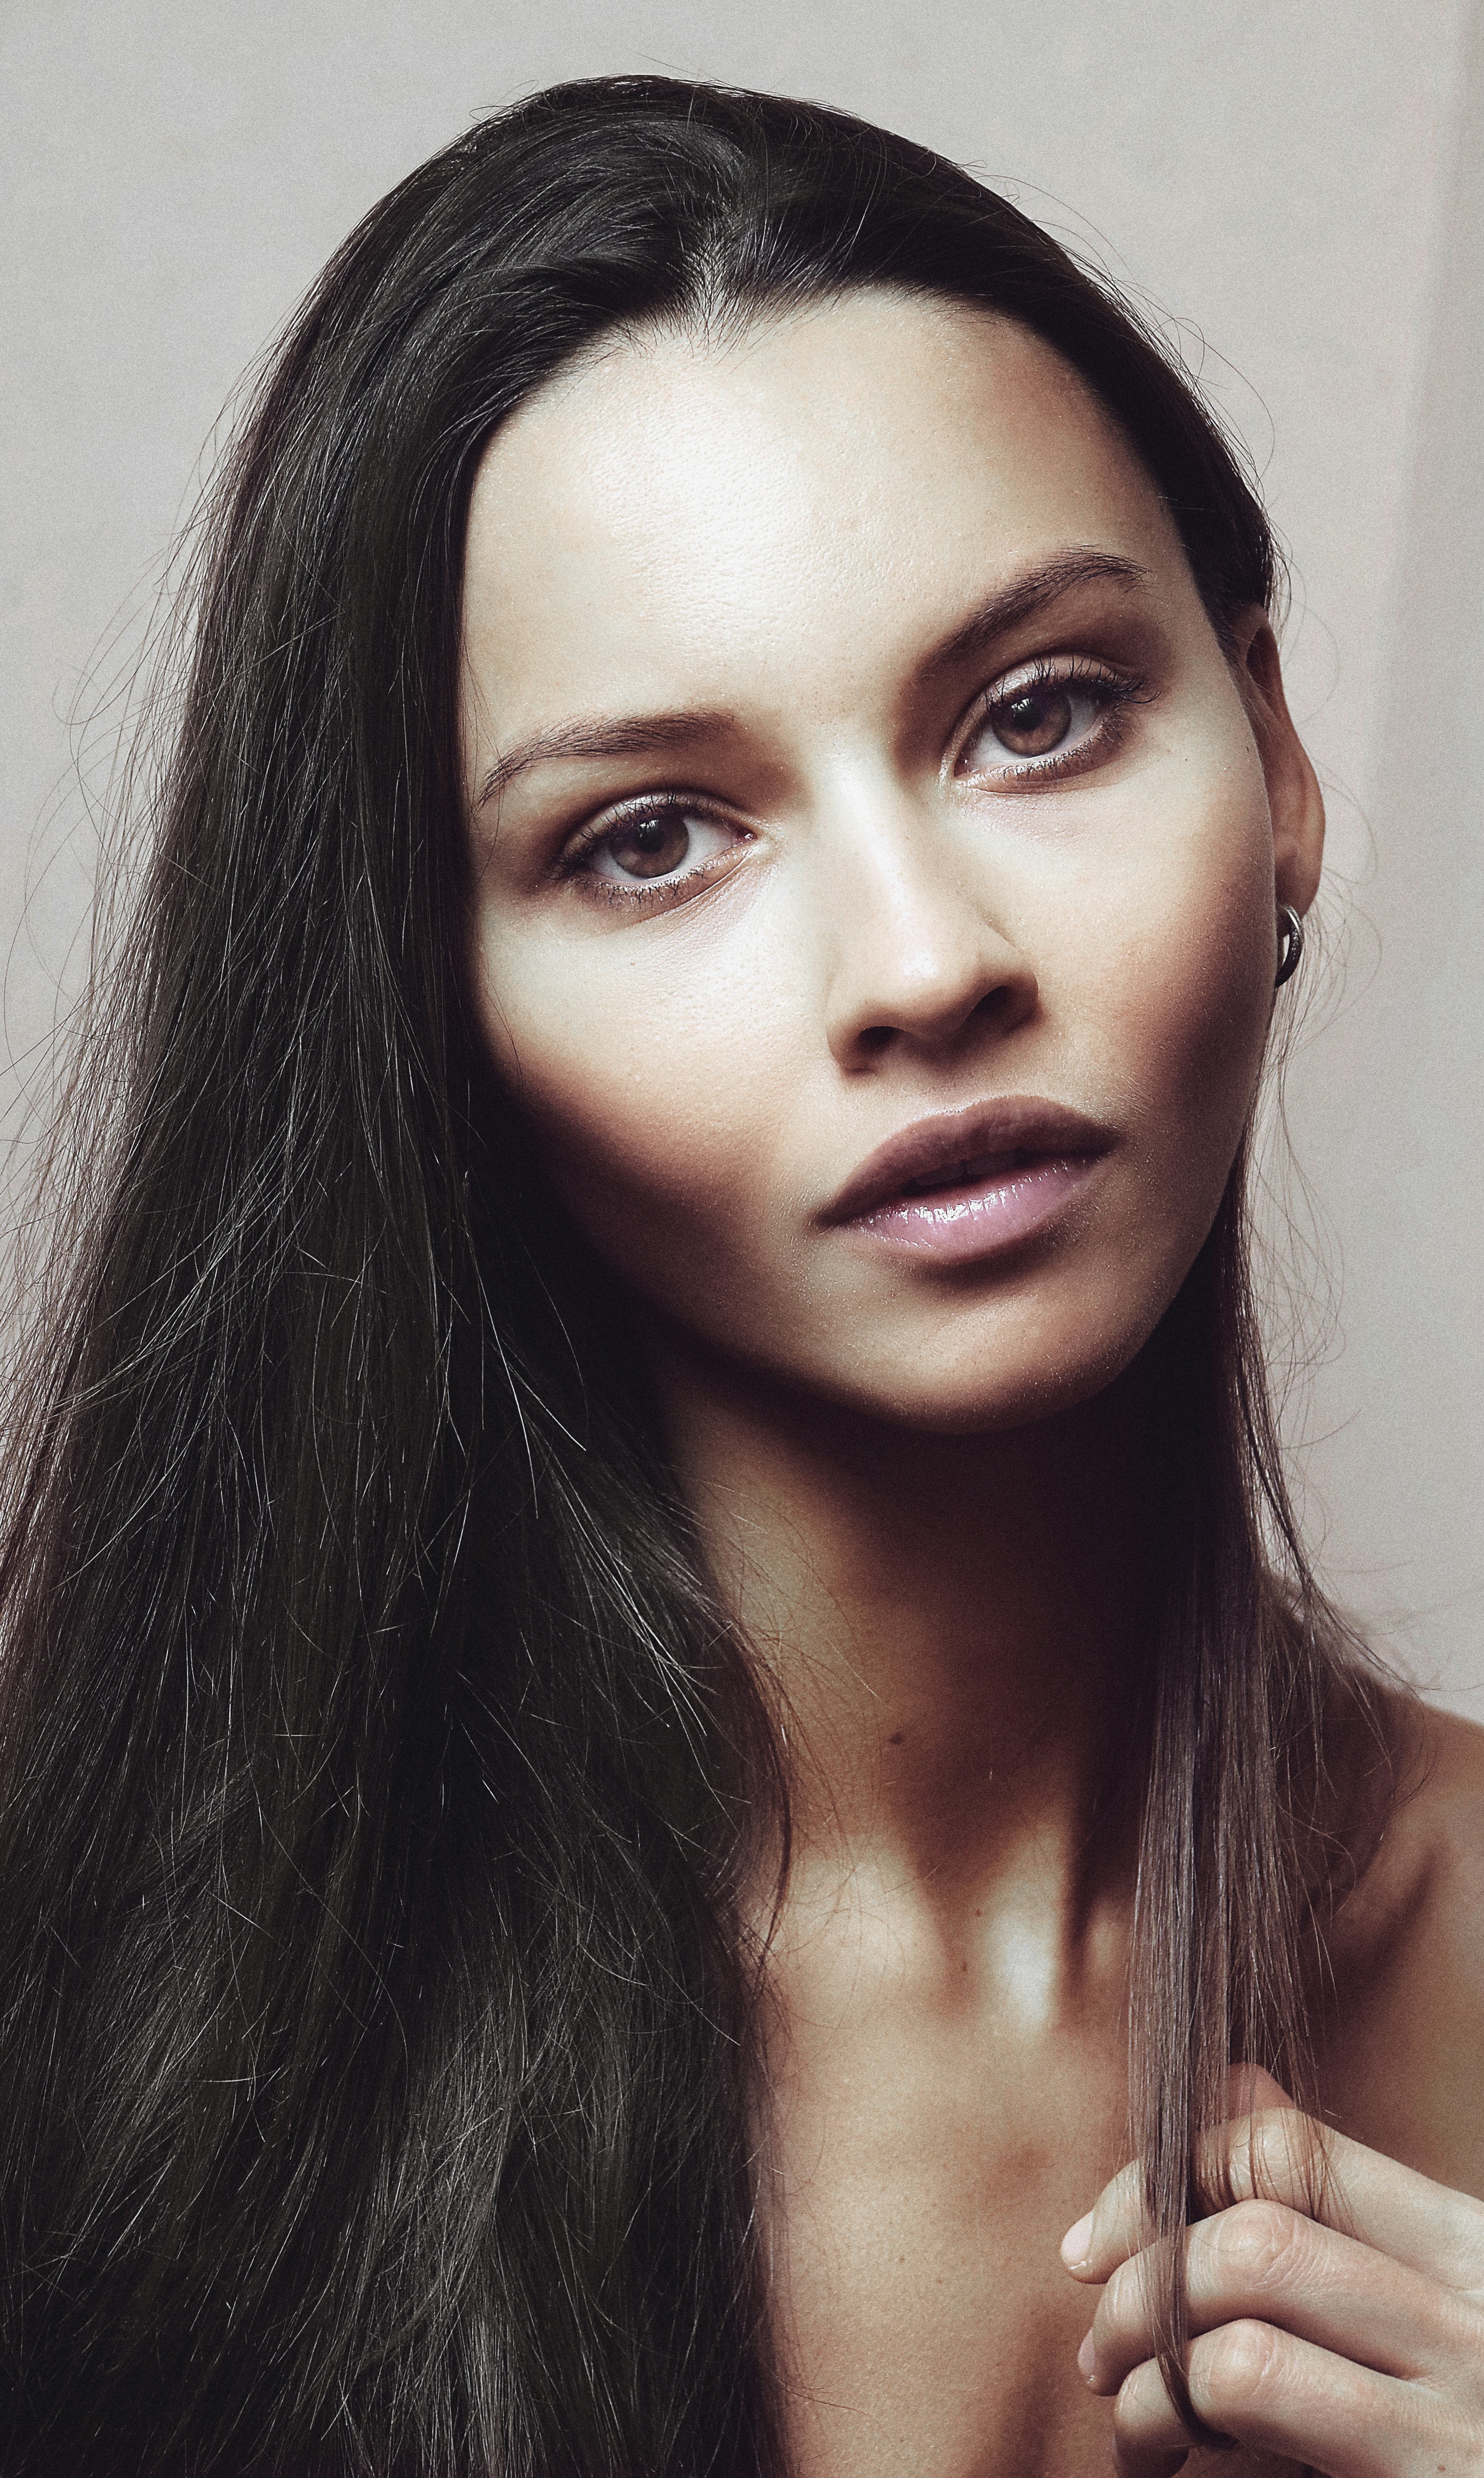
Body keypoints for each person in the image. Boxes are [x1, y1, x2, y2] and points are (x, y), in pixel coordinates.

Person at [0, 72, 1479, 2478]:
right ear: (425, 1008)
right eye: (652, 840)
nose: (924, 964)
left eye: (1039, 715)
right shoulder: (98, 1981)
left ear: (1275, 747)